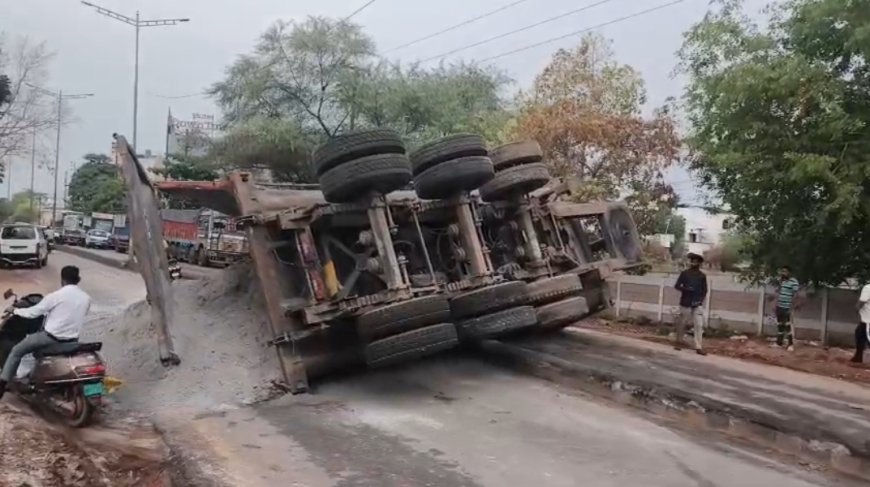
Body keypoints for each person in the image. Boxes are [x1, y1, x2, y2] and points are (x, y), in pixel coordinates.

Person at [0, 265, 91, 399]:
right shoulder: (86, 298)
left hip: (50, 338)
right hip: (72, 340)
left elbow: (33, 312)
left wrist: (14, 310)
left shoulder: (56, 296)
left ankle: (2, 385)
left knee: (17, 351)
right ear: (78, 279)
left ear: (62, 280)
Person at [674, 253, 708, 355]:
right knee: (682, 323)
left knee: (699, 324)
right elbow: (677, 286)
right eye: (692, 261)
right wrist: (686, 289)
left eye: (696, 261)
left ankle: (698, 347)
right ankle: (678, 342)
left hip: (697, 303)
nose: (694, 263)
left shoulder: (702, 276)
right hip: (685, 301)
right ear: (690, 262)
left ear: (699, 263)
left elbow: (704, 290)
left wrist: (700, 300)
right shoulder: (685, 273)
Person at [770, 266, 800, 350]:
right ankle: (779, 343)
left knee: (787, 326)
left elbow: (796, 295)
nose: (783, 273)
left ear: (789, 273)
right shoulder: (781, 281)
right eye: (782, 271)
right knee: (780, 325)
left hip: (787, 307)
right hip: (779, 306)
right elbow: (777, 293)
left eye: (785, 271)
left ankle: (790, 345)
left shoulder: (793, 282)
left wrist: (792, 306)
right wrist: (774, 305)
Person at [853, 283, 870, 363]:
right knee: (859, 334)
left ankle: (858, 357)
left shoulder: (868, 288)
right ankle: (858, 357)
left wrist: (857, 309)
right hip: (865, 320)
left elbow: (862, 301)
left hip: (868, 320)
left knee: (867, 338)